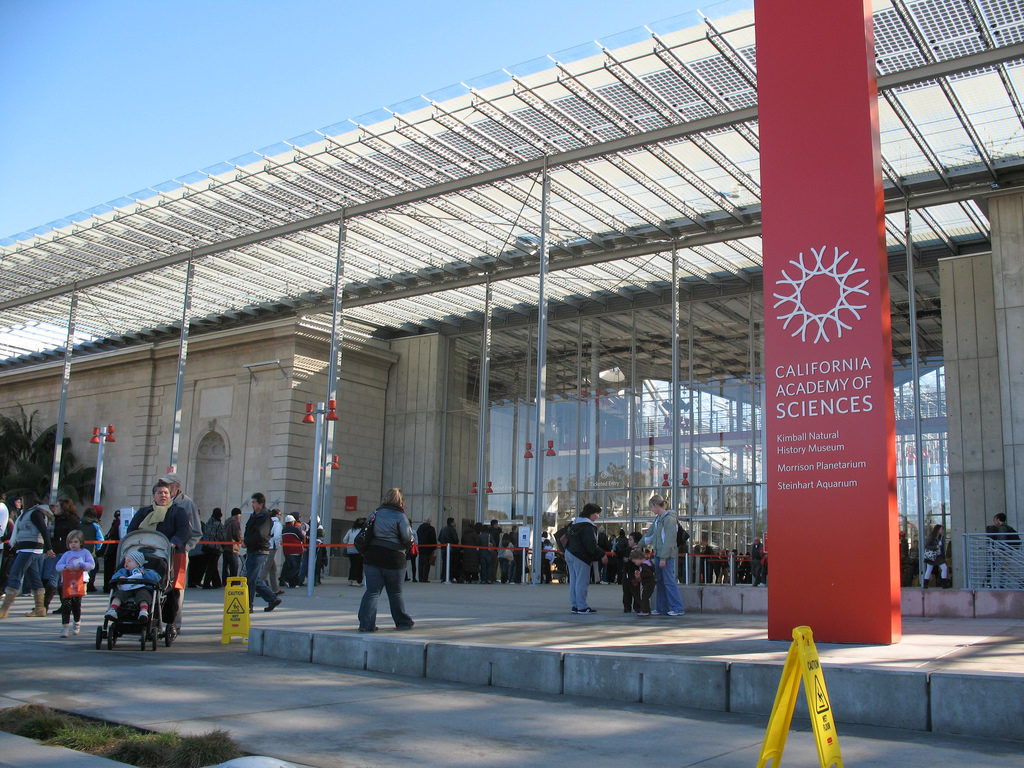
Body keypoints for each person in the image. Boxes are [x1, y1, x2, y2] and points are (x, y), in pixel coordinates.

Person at [127, 480, 193, 630]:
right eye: (159, 493)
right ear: (153, 496)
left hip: (171, 555)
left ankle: (171, 622)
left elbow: (185, 531)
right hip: (144, 556)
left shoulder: (178, 511)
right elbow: (131, 530)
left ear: (171, 495)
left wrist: (173, 542)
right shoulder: (144, 512)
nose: (163, 495)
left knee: (172, 589)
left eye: (166, 493)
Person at [356, 487, 414, 632]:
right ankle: (402, 622)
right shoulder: (401, 517)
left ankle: (366, 624)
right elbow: (407, 538)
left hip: (373, 556)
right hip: (394, 558)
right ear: (401, 501)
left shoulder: (375, 514)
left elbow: (366, 532)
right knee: (395, 593)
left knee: (372, 591)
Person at [0, 491, 54, 619]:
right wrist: (4, 538)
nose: (21, 502)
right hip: (26, 548)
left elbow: (44, 530)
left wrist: (49, 548)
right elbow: (20, 531)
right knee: (34, 578)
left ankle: (4, 609)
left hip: (30, 549)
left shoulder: (36, 513)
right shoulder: (26, 514)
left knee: (15, 574)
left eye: (22, 500)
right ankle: (40, 608)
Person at [643, 494, 686, 616]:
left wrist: (663, 557)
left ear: (656, 505)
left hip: (666, 555)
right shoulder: (658, 519)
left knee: (668, 581)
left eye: (651, 507)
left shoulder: (669, 519)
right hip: (659, 553)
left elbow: (669, 541)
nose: (651, 510)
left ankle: (678, 608)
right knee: (661, 581)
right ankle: (662, 608)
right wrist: (639, 543)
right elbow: (650, 534)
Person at [565, 503, 607, 614]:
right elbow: (591, 545)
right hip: (581, 556)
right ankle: (582, 606)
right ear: (591, 514)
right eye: (596, 513)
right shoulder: (588, 526)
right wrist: (602, 554)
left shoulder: (574, 523)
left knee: (574, 580)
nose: (597, 516)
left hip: (569, 552)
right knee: (582, 582)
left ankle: (575, 605)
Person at [242, 493, 281, 612]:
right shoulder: (254, 516)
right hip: (252, 549)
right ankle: (272, 598)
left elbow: (261, 534)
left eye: (254, 502)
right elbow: (248, 529)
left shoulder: (264, 517)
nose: (252, 505)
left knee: (251, 578)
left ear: (260, 503)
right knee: (254, 577)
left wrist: (247, 542)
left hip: (260, 550)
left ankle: (249, 604)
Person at [54, 530, 95, 636]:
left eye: (75, 542)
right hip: (67, 582)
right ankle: (65, 627)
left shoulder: (85, 552)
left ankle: (77, 623)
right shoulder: (67, 554)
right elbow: (58, 566)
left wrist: (82, 565)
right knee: (66, 605)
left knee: (76, 604)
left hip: (80, 582)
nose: (73, 544)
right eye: (71, 542)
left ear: (81, 542)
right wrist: (65, 567)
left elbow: (91, 565)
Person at [104, 549, 160, 621]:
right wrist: (119, 577)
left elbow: (156, 578)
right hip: (126, 589)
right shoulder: (123, 571)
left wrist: (145, 574)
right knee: (119, 594)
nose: (126, 563)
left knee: (144, 594)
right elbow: (114, 577)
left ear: (138, 564)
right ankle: (112, 610)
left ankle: (143, 611)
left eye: (129, 561)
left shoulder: (145, 571)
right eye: (125, 561)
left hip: (141, 589)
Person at [985, 512, 1020, 588]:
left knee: (1004, 569)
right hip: (1006, 551)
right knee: (1003, 568)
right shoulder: (1007, 527)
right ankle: (997, 584)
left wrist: (997, 550)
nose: (994, 522)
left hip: (1003, 552)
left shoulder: (1002, 528)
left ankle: (1018, 582)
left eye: (994, 520)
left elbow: (1002, 540)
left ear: (997, 519)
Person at [623, 546, 656, 616]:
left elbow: (648, 574)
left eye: (635, 562)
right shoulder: (647, 563)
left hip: (648, 584)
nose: (635, 564)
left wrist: (640, 576)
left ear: (639, 558)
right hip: (649, 583)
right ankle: (646, 610)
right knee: (645, 597)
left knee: (645, 597)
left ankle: (645, 611)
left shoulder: (644, 565)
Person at [201, 508, 225, 589]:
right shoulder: (219, 525)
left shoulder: (208, 522)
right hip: (215, 548)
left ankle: (217, 583)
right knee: (212, 566)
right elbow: (221, 537)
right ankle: (206, 583)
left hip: (206, 547)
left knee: (212, 565)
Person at [279, 514, 304, 588]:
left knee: (289, 567)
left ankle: (292, 583)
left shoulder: (283, 530)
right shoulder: (295, 529)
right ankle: (287, 579)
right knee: (296, 567)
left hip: (287, 551)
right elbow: (301, 537)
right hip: (295, 550)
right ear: (292, 522)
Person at [264, 508, 283, 595]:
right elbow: (277, 536)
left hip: (266, 545)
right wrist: (277, 545)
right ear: (276, 515)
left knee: (273, 568)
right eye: (279, 514)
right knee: (266, 568)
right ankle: (261, 587)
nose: (280, 516)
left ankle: (275, 588)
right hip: (272, 547)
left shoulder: (267, 522)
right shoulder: (277, 524)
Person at [102, 509, 122, 592]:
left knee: (109, 569)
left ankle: (107, 586)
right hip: (114, 549)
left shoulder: (115, 523)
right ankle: (109, 586)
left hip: (111, 549)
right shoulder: (118, 523)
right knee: (111, 568)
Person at [343, 518, 365, 586]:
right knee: (359, 566)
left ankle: (351, 580)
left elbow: (344, 540)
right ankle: (357, 581)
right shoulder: (362, 531)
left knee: (353, 565)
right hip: (359, 550)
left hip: (350, 550)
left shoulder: (351, 530)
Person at [222, 507, 243, 582]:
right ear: (237, 515)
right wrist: (240, 541)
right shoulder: (235, 522)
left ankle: (225, 582)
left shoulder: (227, 522)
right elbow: (237, 534)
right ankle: (233, 582)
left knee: (225, 566)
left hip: (225, 547)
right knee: (234, 567)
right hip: (233, 547)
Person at [437, 516, 459, 583]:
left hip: (443, 549)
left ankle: (444, 577)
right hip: (451, 549)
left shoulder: (443, 529)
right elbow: (456, 540)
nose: (455, 523)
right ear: (451, 523)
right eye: (454, 522)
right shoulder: (452, 530)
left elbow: (439, 538)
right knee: (451, 564)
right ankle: (449, 577)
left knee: (444, 564)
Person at [415, 518, 437, 583]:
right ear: (429, 522)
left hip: (421, 548)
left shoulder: (419, 528)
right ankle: (425, 578)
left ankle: (420, 577)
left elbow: (417, 537)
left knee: (421, 563)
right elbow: (433, 538)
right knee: (427, 564)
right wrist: (434, 547)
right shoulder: (431, 529)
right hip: (429, 549)